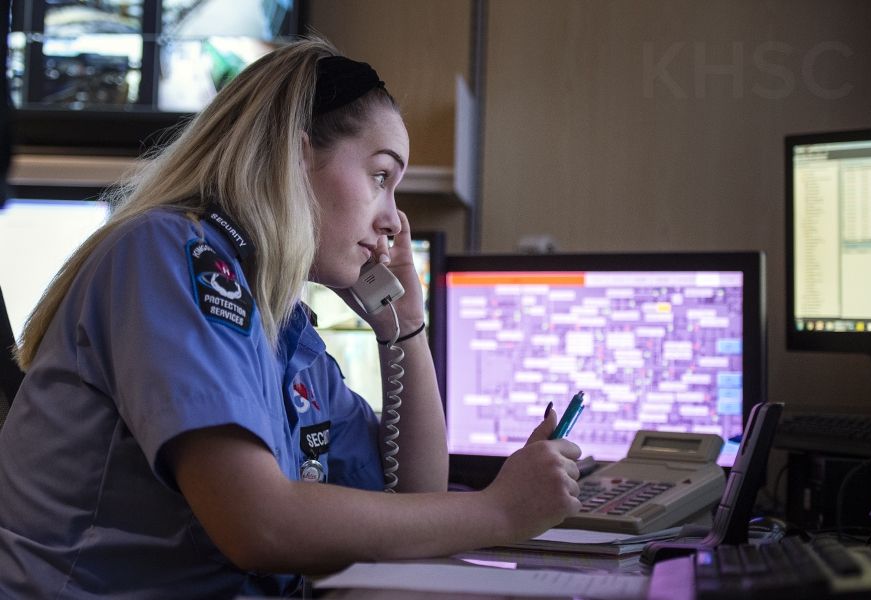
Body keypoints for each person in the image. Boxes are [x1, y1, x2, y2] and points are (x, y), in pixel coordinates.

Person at [0, 35, 582, 598]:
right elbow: (259, 525)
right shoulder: (172, 255)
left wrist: (403, 329)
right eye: (380, 177)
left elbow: (412, 503)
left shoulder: (285, 330)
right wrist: (499, 510)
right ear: (295, 156)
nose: (393, 221)